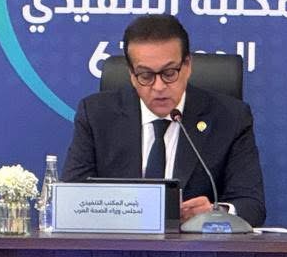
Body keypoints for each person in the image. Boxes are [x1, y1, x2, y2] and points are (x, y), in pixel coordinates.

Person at [62, 14, 266, 226]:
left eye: (169, 73)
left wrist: (215, 212)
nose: (159, 87)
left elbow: (252, 206)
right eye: (146, 75)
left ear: (187, 66)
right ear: (131, 74)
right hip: (117, 243)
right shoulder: (97, 115)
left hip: (195, 246)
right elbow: (72, 199)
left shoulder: (230, 118)